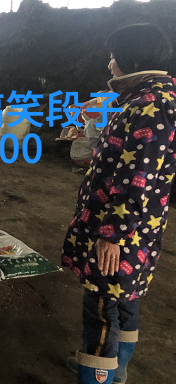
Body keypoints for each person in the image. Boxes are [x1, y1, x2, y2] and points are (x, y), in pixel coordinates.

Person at [62, 23, 174, 384]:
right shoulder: (155, 98)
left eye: (113, 57)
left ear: (131, 59)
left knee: (101, 307)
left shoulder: (149, 108)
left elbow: (136, 181)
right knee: (125, 297)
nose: (110, 64)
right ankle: (117, 368)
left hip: (122, 231)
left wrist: (112, 234)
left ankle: (97, 374)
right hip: (138, 230)